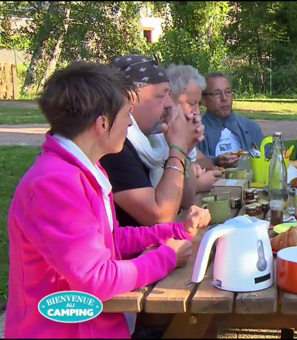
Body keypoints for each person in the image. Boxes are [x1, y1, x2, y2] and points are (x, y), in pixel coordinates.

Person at [5, 62, 211, 338]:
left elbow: (109, 240)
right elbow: (95, 278)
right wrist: (167, 257)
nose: (129, 123)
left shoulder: (85, 168)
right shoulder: (54, 183)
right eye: (126, 115)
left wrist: (173, 231)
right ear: (102, 123)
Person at [99, 54, 204, 227]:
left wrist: (186, 151)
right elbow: (160, 216)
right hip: (132, 253)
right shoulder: (115, 147)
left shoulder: (150, 142)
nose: (170, 104)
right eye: (161, 95)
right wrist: (178, 148)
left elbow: (186, 201)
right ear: (131, 98)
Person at [166, 64, 223, 192]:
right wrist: (197, 184)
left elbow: (207, 162)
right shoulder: (159, 137)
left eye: (198, 104)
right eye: (191, 103)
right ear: (169, 99)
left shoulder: (181, 132)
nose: (197, 111)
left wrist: (192, 164)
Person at [197, 72, 264, 168]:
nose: (224, 98)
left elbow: (267, 159)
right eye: (217, 94)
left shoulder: (251, 128)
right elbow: (190, 164)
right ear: (203, 99)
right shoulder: (196, 132)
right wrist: (215, 161)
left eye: (228, 92)